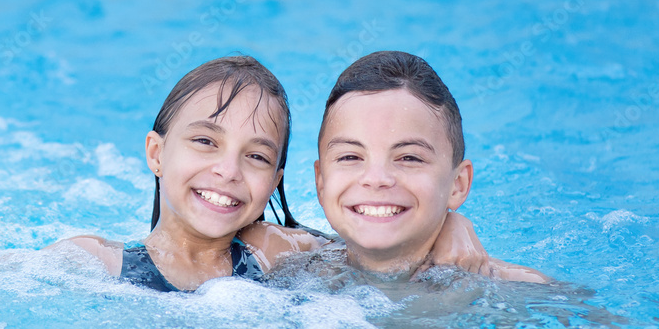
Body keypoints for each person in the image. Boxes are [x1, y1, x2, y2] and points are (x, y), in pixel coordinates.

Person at [49, 54, 496, 291]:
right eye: (205, 141)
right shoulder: (95, 263)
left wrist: (446, 222)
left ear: (276, 181)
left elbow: (375, 247)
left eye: (257, 156)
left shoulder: (273, 253)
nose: (227, 171)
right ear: (156, 153)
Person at [313, 50, 549, 283]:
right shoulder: (288, 261)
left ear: (457, 186)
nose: (376, 178)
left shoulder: (525, 291)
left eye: (409, 158)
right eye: (350, 157)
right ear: (321, 183)